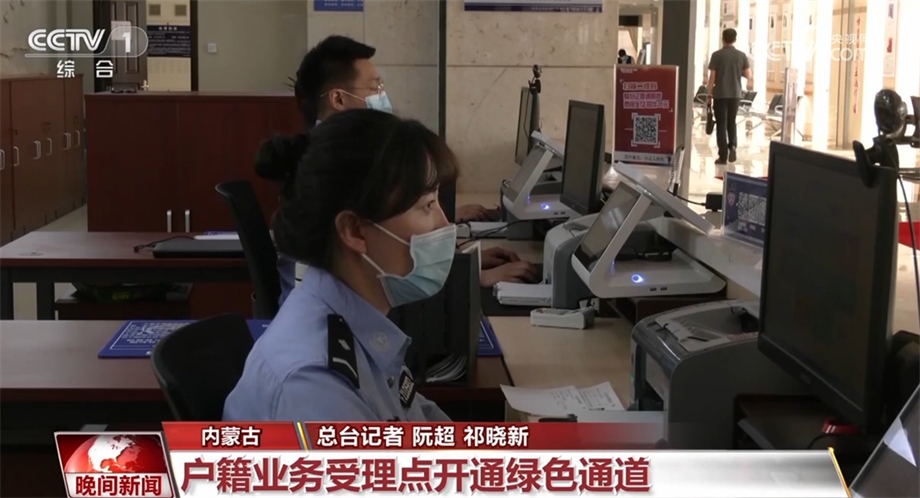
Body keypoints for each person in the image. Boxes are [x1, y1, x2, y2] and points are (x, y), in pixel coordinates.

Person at [259, 35, 537, 305]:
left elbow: (384, 247)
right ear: (338, 99)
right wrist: (472, 277)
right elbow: (372, 263)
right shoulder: (344, 165)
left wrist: (461, 262)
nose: (382, 96)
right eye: (374, 88)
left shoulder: (342, 152)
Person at [226, 110, 460, 421]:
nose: (444, 224)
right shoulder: (315, 386)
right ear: (354, 231)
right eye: (427, 205)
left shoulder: (357, 325)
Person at [707, 28, 753, 165]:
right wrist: (738, 71)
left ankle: (722, 156)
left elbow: (712, 77)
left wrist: (709, 94)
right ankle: (732, 146)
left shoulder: (716, 55)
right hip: (735, 94)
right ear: (735, 40)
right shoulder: (741, 56)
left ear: (723, 39)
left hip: (720, 94)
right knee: (731, 121)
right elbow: (749, 75)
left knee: (721, 124)